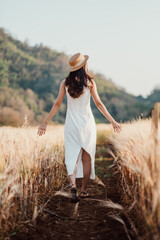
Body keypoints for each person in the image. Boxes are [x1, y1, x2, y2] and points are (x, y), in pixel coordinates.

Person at [37, 53, 122, 202]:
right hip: (87, 124)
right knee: (87, 157)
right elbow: (99, 104)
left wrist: (45, 122)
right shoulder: (89, 83)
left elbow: (57, 103)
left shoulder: (65, 83)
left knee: (71, 156)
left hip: (71, 124)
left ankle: (72, 185)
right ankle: (83, 191)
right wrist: (113, 121)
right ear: (84, 66)